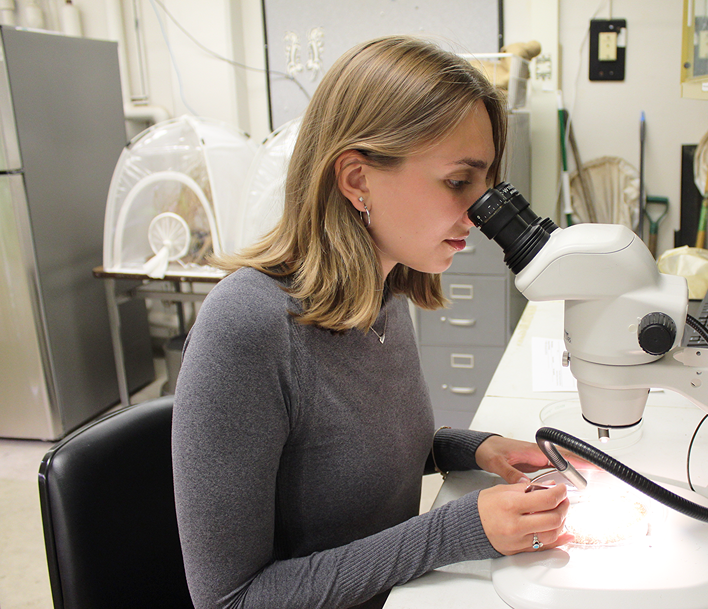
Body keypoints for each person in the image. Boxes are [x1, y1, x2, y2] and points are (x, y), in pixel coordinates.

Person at [172, 35, 572, 609]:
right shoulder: (245, 328)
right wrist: (455, 530)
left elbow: (355, 458)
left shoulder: (383, 295)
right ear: (357, 179)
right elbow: (230, 599)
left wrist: (475, 449)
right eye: (460, 182)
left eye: (487, 187)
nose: (481, 214)